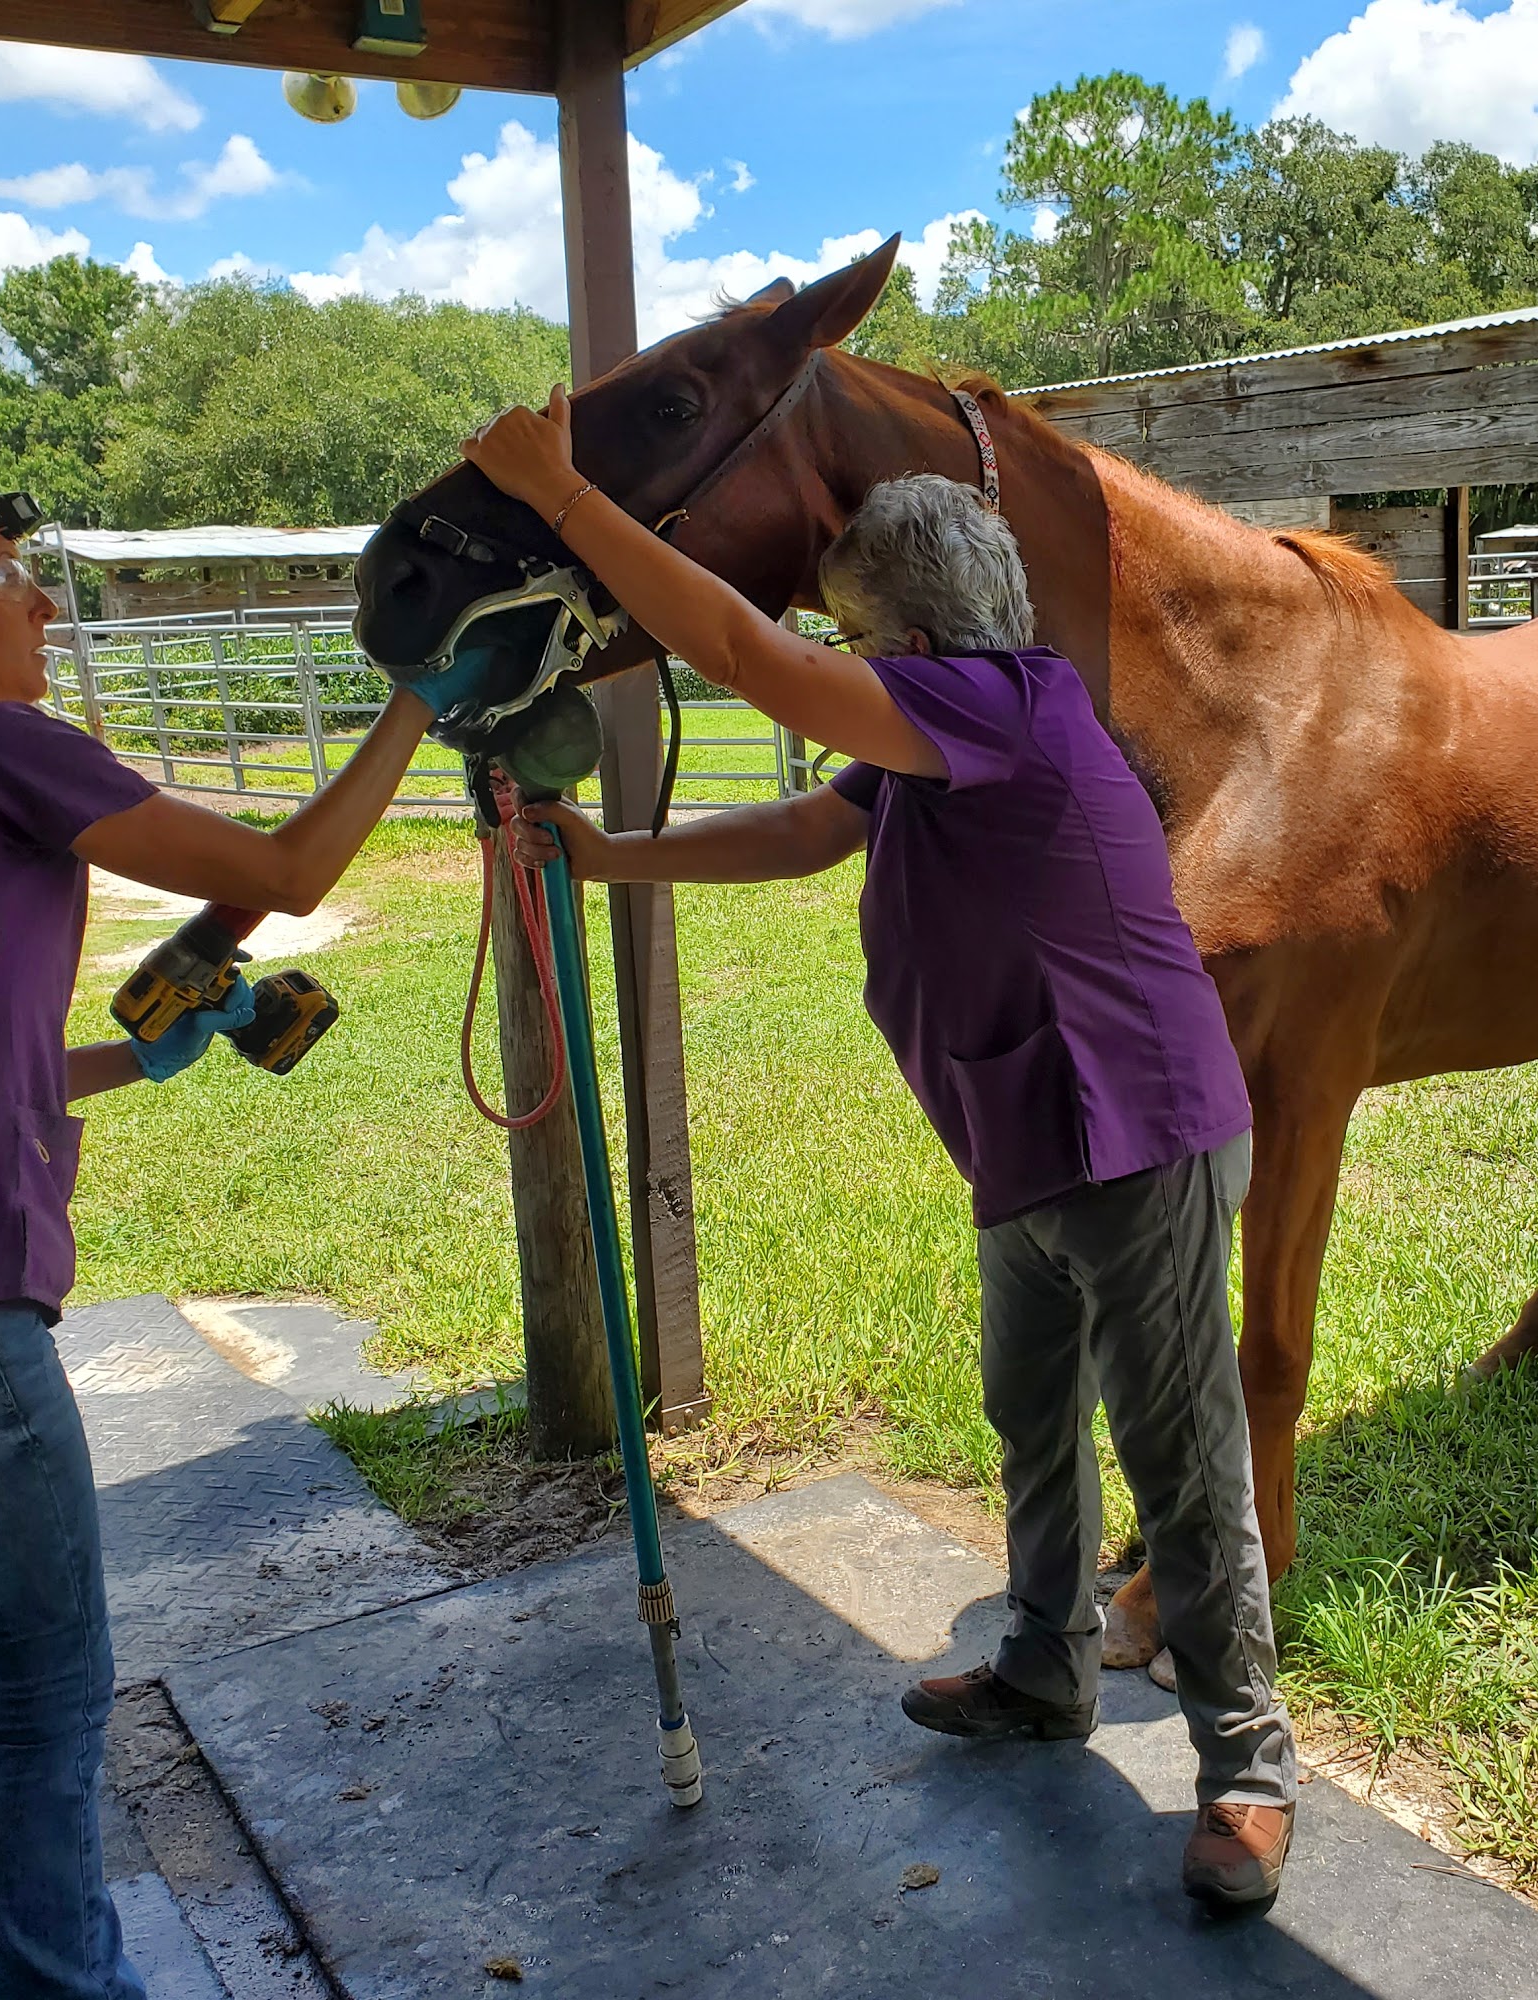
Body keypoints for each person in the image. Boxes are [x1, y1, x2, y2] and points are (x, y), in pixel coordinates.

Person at [456, 393, 1299, 1906]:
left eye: (854, 640)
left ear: (901, 638)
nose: (843, 664)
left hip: (1135, 1134)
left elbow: (744, 656)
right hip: (1030, 1134)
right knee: (1029, 1417)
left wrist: (567, 502)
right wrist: (611, 857)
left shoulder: (1008, 705)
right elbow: (798, 833)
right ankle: (1047, 1669)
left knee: (1181, 1462)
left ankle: (1247, 1768)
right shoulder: (935, 735)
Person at [0, 485, 471, 1999]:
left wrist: (149, 1055)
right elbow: (287, 876)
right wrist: (415, 700)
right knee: (48, 1695)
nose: (44, 606)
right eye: (10, 577)